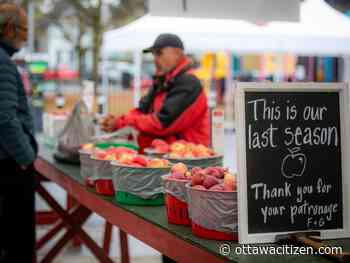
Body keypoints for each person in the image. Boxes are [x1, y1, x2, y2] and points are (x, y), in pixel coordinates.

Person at [101, 33, 210, 152]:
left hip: (188, 159)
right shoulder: (162, 80)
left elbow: (162, 124)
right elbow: (142, 110)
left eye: (159, 53)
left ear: (177, 53)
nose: (155, 59)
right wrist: (118, 121)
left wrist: (120, 123)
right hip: (162, 155)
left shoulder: (188, 82)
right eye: (154, 54)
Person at [0, 3, 38, 262]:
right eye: (24, 29)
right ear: (9, 28)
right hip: (8, 167)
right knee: (17, 239)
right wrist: (25, 156)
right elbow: (4, 118)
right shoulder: (3, 64)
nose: (26, 36)